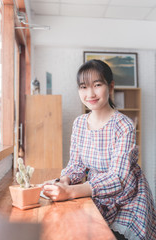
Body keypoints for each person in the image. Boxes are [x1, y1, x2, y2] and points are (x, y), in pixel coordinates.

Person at [42, 59, 156, 240]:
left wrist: (71, 191)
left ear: (110, 86)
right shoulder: (79, 123)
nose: (90, 93)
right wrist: (63, 181)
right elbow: (76, 165)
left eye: (97, 85)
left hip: (127, 199)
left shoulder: (124, 125)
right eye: (83, 87)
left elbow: (118, 178)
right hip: (95, 194)